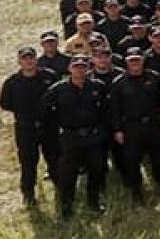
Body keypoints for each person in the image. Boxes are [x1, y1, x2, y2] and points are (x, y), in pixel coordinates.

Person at [42, 58, 110, 218]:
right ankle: (67, 207)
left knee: (95, 170)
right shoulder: (58, 89)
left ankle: (93, 202)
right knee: (68, 173)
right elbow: (45, 109)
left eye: (83, 67)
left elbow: (106, 109)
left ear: (88, 69)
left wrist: (101, 130)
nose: (80, 70)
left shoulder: (97, 86)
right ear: (69, 69)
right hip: (70, 137)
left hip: (93, 136)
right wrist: (59, 125)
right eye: (76, 67)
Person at [0, 46, 59, 206]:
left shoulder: (49, 76)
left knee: (54, 157)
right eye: (24, 58)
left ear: (35, 59)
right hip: (26, 128)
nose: (28, 61)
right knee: (28, 162)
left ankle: (60, 188)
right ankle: (28, 194)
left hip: (49, 126)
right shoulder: (12, 82)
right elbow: (5, 103)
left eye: (31, 57)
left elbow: (58, 97)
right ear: (19, 61)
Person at [109, 48, 160, 201]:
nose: (135, 63)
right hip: (131, 127)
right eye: (131, 60)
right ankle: (136, 192)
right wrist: (117, 130)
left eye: (138, 59)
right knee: (132, 161)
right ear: (127, 62)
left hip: (154, 125)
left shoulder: (154, 77)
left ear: (143, 60)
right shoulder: (118, 82)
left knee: (158, 158)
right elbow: (114, 109)